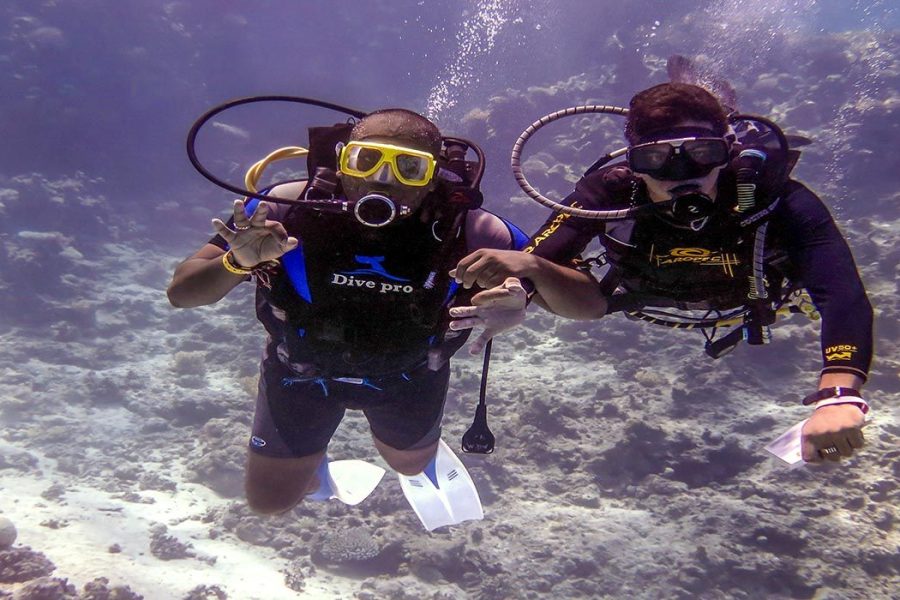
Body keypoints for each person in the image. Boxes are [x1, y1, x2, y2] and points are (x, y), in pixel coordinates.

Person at [450, 82, 873, 464]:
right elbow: (545, 249)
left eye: (703, 155)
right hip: (637, 294)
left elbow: (840, 291)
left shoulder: (770, 195)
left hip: (749, 298)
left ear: (727, 151)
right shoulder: (609, 192)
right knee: (532, 264)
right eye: (656, 158)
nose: (680, 176)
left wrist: (838, 394)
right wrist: (517, 290)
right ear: (633, 164)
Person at [168, 108, 526, 520]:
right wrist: (236, 262)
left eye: (410, 167)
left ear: (433, 177)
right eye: (366, 159)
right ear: (342, 160)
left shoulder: (471, 228)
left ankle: (402, 464)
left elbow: (541, 273)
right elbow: (182, 292)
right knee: (268, 503)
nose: (383, 179)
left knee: (407, 464)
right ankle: (320, 477)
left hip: (409, 377)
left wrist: (521, 300)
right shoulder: (283, 210)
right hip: (298, 374)